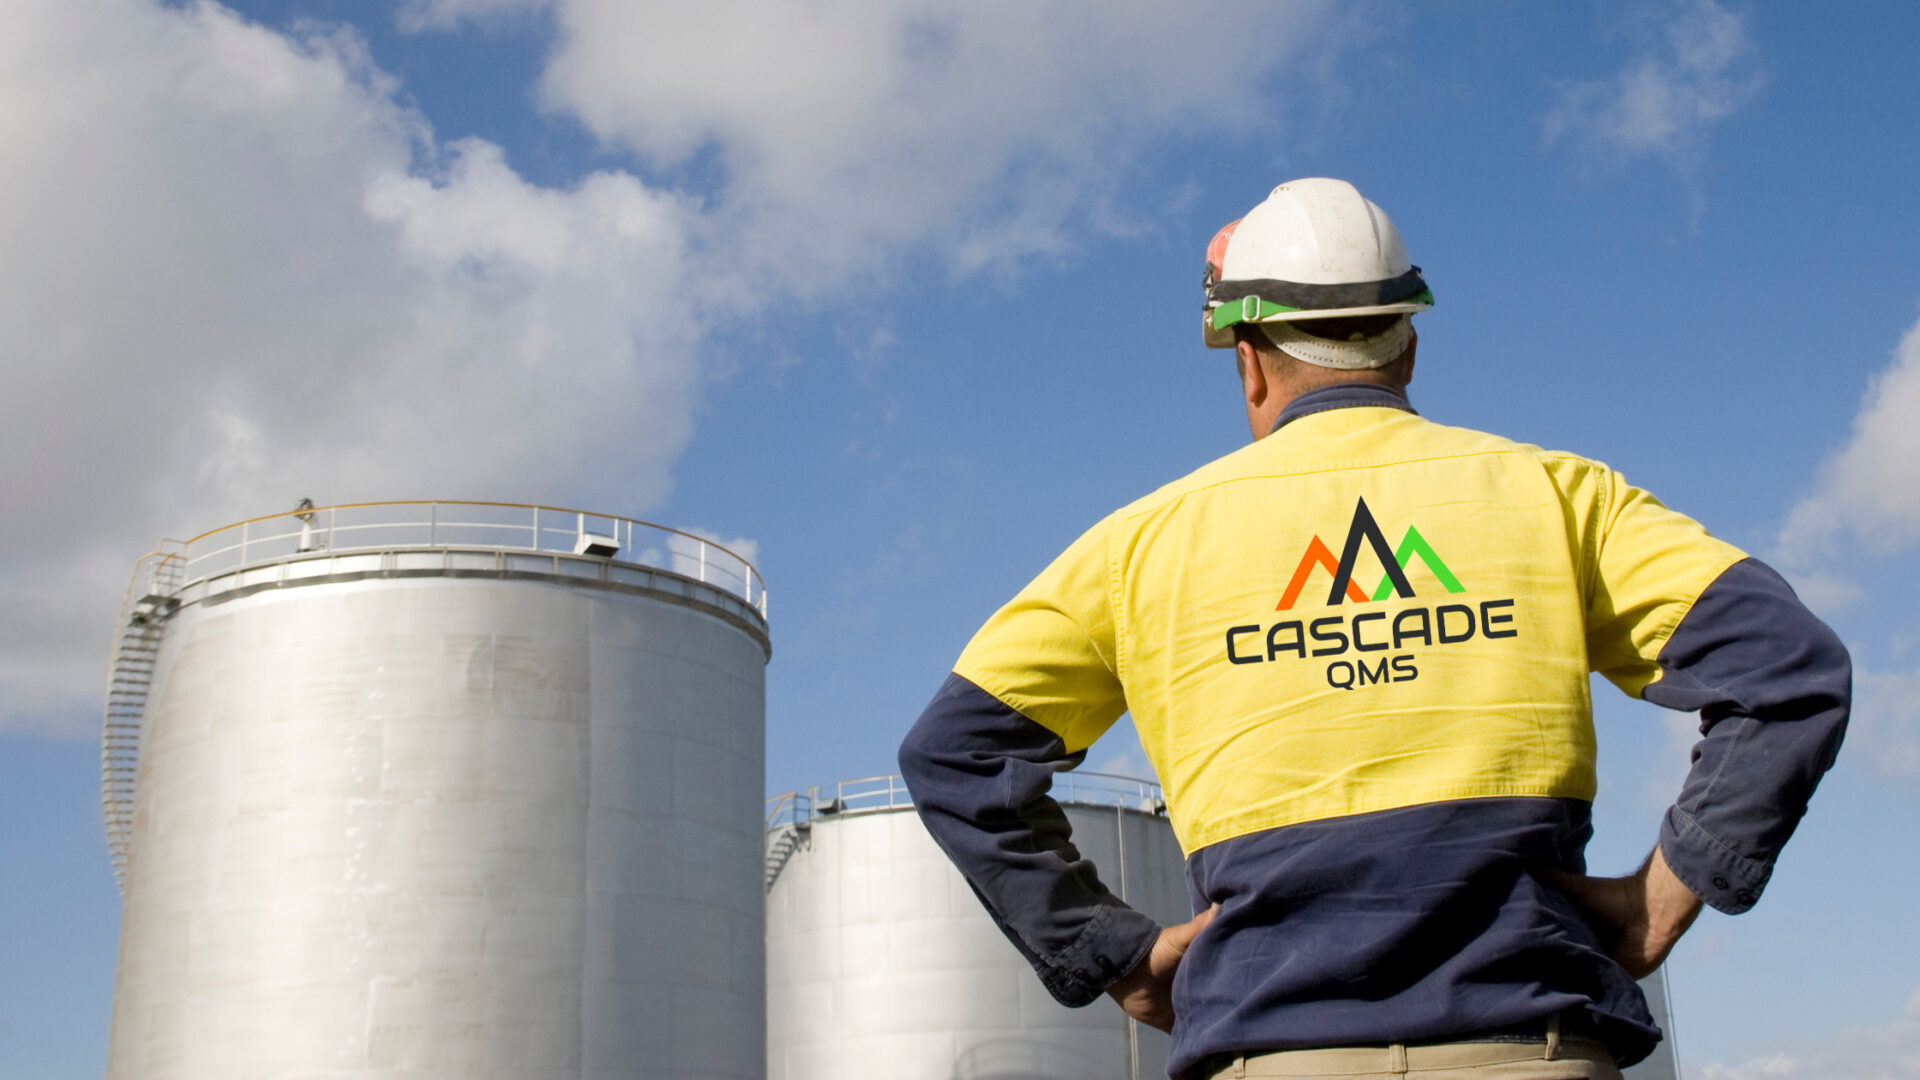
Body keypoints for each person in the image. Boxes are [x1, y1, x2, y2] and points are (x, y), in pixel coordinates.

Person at [897, 178, 1849, 1079]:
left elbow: (956, 753)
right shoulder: (1557, 498)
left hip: (1274, 1055)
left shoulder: (1140, 547)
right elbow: (1787, 667)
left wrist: (1114, 954)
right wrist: (1664, 895)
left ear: (1248, 359)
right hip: (1533, 1042)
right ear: (1407, 345)